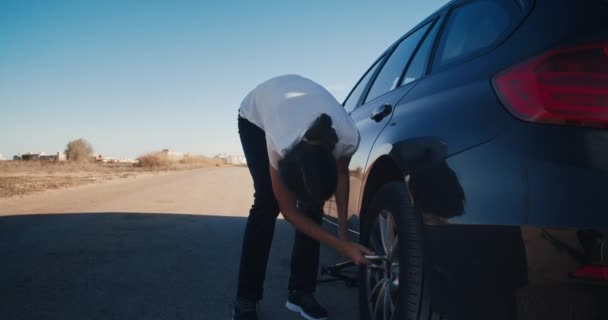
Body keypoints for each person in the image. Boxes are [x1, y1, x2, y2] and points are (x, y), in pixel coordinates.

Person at [233, 75, 372, 320]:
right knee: (267, 204)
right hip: (255, 118)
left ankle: (301, 292)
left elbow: (341, 175)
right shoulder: (281, 144)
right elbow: (289, 212)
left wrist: (343, 234)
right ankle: (246, 298)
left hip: (296, 110)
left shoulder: (348, 137)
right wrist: (341, 247)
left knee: (312, 209)